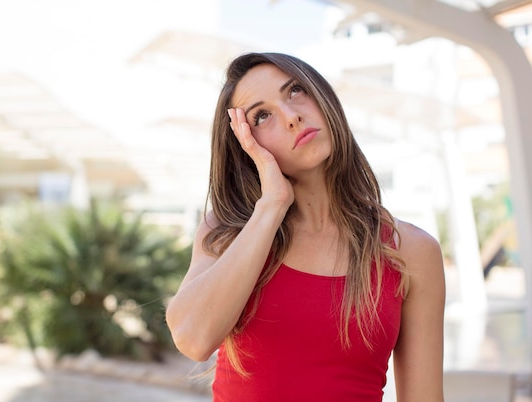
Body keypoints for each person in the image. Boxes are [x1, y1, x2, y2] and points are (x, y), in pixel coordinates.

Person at [166, 52, 445, 402]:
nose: (291, 116)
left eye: (296, 91)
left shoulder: (411, 252)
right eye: (262, 115)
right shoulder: (229, 234)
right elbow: (193, 339)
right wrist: (271, 206)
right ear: (245, 144)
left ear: (323, 97)